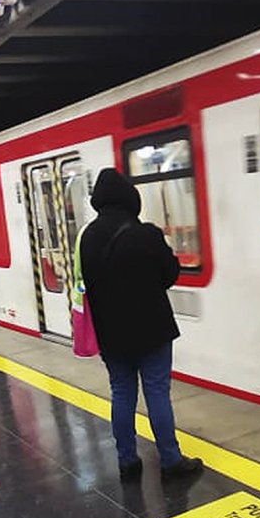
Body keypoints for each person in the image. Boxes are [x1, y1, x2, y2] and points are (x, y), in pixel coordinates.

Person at [79, 167, 203, 482]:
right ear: (130, 199)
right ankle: (171, 461)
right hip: (152, 331)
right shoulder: (146, 234)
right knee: (157, 392)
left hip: (111, 334)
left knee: (121, 393)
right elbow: (170, 274)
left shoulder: (87, 238)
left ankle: (127, 461)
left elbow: (87, 283)